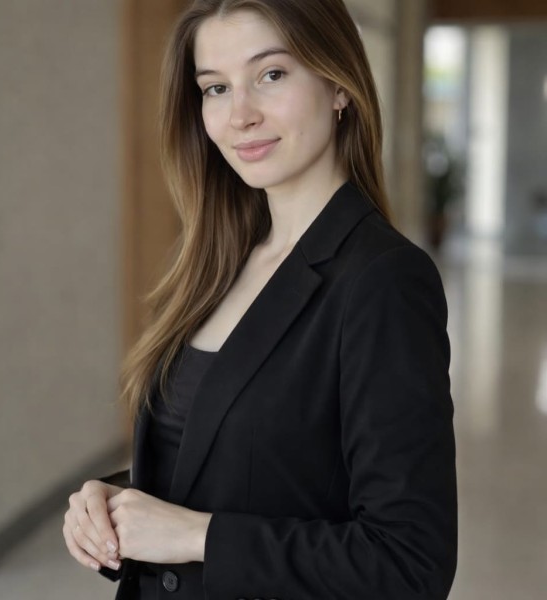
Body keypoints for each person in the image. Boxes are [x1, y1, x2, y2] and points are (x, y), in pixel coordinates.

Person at [63, 0, 458, 598]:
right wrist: (117, 507)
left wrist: (198, 536)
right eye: (215, 88)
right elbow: (238, 460)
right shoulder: (216, 260)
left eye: (271, 74)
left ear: (339, 85)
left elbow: (409, 563)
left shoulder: (384, 280)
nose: (240, 115)